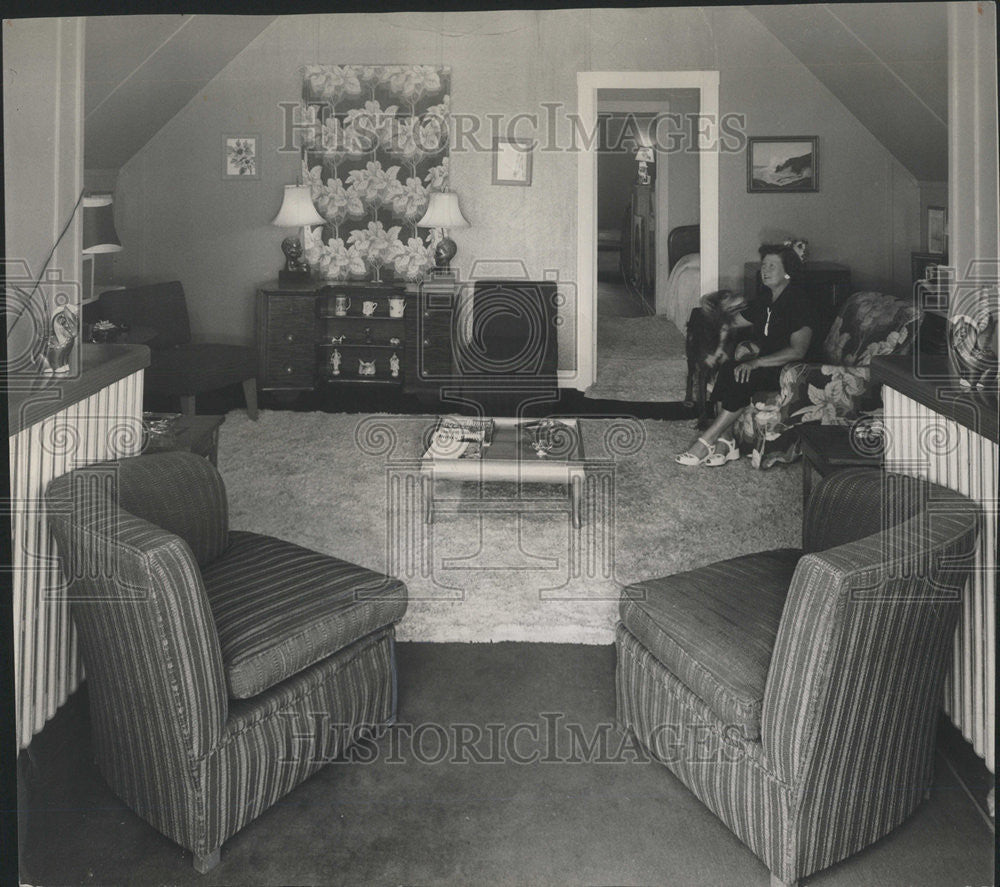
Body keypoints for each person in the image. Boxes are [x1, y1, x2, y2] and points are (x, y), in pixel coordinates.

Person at [675, 243, 818, 466]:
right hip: (770, 364)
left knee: (743, 375)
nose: (765, 270)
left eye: (772, 266)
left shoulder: (799, 302)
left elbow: (798, 351)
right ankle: (727, 442)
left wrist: (756, 363)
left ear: (787, 271)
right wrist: (709, 307)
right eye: (764, 265)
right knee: (728, 369)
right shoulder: (766, 300)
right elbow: (733, 321)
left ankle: (706, 441)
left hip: (796, 370)